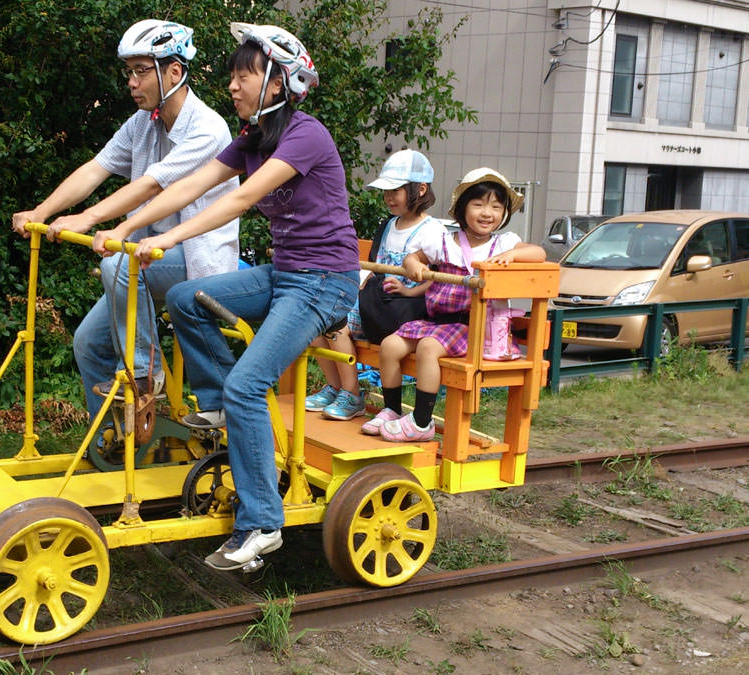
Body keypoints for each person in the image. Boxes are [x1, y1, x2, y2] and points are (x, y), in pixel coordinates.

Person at [92, 22, 359, 570]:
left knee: (249, 384)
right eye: (234, 77)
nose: (233, 86)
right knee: (187, 298)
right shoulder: (253, 138)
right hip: (285, 273)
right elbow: (190, 184)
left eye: (245, 76)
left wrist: (163, 238)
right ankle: (217, 406)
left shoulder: (305, 134)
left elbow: (239, 200)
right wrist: (130, 226)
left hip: (324, 282)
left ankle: (262, 523)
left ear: (281, 83)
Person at [11, 20, 239, 420]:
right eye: (128, 72)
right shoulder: (142, 124)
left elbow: (154, 186)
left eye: (140, 70)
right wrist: (42, 211)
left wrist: (91, 218)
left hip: (197, 258)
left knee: (117, 261)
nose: (132, 82)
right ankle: (115, 442)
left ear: (174, 71)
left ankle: (142, 377)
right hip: (146, 259)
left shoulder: (207, 128)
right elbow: (95, 169)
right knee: (88, 343)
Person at [374, 167, 546, 442]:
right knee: (390, 345)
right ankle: (392, 409)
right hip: (438, 323)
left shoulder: (504, 244)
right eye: (478, 204)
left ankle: (421, 421)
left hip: (474, 327)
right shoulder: (444, 241)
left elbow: (539, 252)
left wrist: (513, 255)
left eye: (496, 206)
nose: (487, 213)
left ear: (504, 214)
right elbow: (412, 258)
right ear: (463, 209)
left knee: (429, 348)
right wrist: (415, 266)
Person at [305, 149, 445, 424]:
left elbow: (435, 280)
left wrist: (406, 289)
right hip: (378, 302)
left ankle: (352, 393)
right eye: (386, 191)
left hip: (407, 308)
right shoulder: (387, 225)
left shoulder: (432, 230)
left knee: (336, 324)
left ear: (421, 189)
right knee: (315, 319)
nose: (389, 198)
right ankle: (336, 387)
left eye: (397, 190)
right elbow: (372, 269)